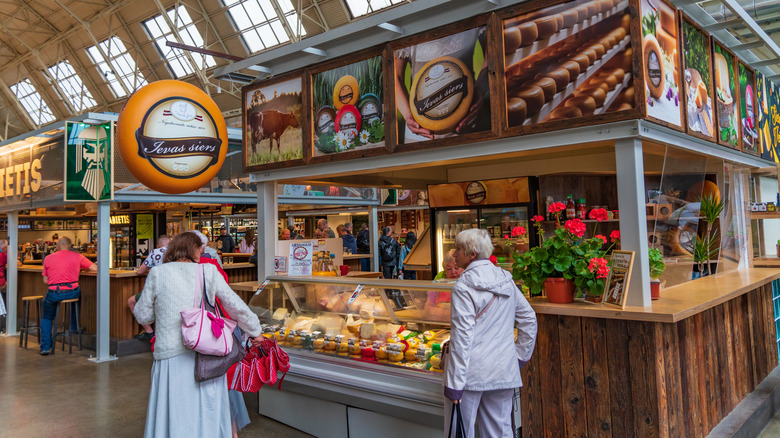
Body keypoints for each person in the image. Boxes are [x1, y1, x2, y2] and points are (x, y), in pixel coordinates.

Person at [133, 232, 262, 437]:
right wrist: (255, 330)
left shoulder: (158, 273)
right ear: (195, 250)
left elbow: (143, 315)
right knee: (207, 411)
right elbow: (235, 305)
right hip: (207, 354)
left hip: (170, 356)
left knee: (174, 412)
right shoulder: (208, 271)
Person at [444, 229, 537, 438]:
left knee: (460, 432)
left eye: (459, 249)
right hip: (504, 368)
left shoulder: (463, 287)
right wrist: (519, 357)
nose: (455, 254)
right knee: (500, 432)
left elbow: (462, 338)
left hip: (471, 373)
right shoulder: (506, 279)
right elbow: (529, 318)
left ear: (472, 254)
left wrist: (454, 385)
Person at [39, 237, 97, 356]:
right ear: (70, 245)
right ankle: (74, 327)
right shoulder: (77, 256)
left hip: (54, 293)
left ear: (57, 245)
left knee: (47, 317)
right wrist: (80, 269)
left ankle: (45, 347)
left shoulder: (48, 258)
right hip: (72, 291)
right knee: (77, 298)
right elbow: (95, 268)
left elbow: (45, 281)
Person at [129, 235, 171, 341]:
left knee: (131, 301)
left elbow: (140, 271)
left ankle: (149, 331)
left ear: (158, 245)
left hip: (156, 290)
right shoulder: (176, 253)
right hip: (171, 290)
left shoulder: (155, 252)